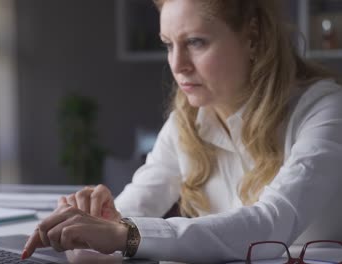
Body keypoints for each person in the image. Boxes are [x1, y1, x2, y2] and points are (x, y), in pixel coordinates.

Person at [22, 0, 342, 263]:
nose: (177, 64)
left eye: (195, 42)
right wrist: (88, 224)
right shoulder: (185, 123)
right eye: (168, 45)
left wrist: (124, 234)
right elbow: (109, 238)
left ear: (253, 37)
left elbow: (272, 224)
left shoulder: (325, 110)